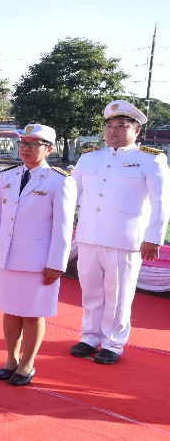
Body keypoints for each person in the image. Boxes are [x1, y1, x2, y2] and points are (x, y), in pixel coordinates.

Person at [71, 100, 170, 365]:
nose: (113, 131)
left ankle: (113, 343)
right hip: (89, 234)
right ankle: (90, 336)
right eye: (110, 126)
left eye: (122, 126)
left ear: (136, 131)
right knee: (90, 289)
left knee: (118, 294)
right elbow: (72, 195)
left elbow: (161, 202)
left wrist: (153, 237)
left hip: (124, 239)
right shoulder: (90, 157)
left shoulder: (150, 159)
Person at [0, 124, 75, 386]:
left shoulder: (60, 180)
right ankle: (11, 359)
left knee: (32, 313)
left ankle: (27, 363)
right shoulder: (8, 176)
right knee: (10, 310)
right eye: (23, 143)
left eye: (33, 144)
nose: (25, 148)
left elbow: (62, 227)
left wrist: (57, 263)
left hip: (38, 261)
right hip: (7, 256)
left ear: (49, 149)